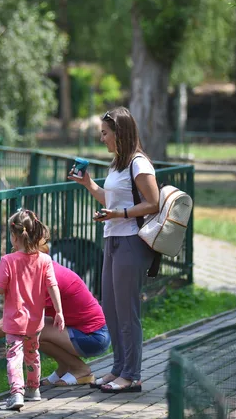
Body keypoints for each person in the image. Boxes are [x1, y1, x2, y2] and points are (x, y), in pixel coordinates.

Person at [68, 106, 160, 394]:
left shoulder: (138, 164)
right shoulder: (117, 164)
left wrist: (119, 214)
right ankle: (119, 368)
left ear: (120, 133)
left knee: (126, 311)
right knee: (111, 310)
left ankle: (132, 376)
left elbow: (153, 203)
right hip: (112, 240)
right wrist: (88, 184)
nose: (102, 138)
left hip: (131, 241)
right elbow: (108, 198)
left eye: (105, 133)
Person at [0, 239, 110, 387]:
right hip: (82, 332)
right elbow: (17, 312)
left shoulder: (47, 281)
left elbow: (20, 320)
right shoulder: (45, 271)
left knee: (32, 330)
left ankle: (80, 369)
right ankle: (65, 367)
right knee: (35, 329)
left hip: (94, 337)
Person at [0, 209, 64, 411]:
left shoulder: (8, 260)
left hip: (14, 321)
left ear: (14, 238)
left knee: (14, 355)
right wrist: (59, 312)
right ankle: (34, 389)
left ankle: (16, 394)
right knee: (32, 353)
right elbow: (53, 286)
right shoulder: (44, 260)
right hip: (35, 321)